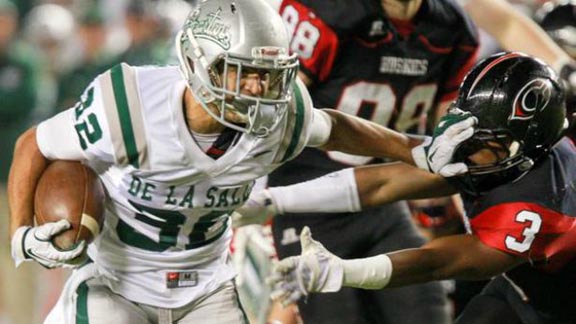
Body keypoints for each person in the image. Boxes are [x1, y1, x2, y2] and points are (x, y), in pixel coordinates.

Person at [7, 0, 430, 323]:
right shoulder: (129, 107)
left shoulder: (282, 119)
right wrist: (22, 233)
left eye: (266, 74)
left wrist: (414, 148)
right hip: (116, 285)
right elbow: (35, 143)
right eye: (240, 71)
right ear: (196, 62)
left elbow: (336, 128)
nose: (256, 88)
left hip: (207, 291)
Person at [239, 52, 575, 323]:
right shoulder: (498, 153)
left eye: (487, 139)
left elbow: (437, 262)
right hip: (523, 290)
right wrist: (273, 201)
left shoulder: (543, 207)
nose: (469, 144)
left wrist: (343, 271)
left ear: (523, 152)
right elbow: (385, 182)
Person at [266, 0, 479, 322]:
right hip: (307, 207)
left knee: (426, 310)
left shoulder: (451, 26)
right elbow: (273, 115)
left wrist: (482, 212)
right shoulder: (326, 13)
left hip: (384, 202)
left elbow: (450, 141)